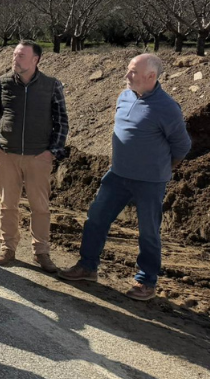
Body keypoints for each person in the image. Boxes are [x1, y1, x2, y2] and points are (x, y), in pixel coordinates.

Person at [58, 54, 190, 301]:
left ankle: (146, 281)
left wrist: (159, 168)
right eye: (128, 70)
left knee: (148, 231)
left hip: (150, 182)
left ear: (151, 76)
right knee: (96, 218)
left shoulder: (167, 107)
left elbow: (182, 146)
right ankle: (87, 267)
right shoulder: (125, 95)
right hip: (117, 175)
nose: (126, 76)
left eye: (132, 72)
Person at [0, 40, 69, 272]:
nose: (15, 59)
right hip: (6, 155)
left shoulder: (52, 86)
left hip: (38, 156)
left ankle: (41, 252)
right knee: (7, 205)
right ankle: (8, 248)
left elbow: (62, 121)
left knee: (40, 207)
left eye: (21, 56)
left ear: (35, 60)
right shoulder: (2, 83)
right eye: (14, 55)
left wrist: (52, 152)